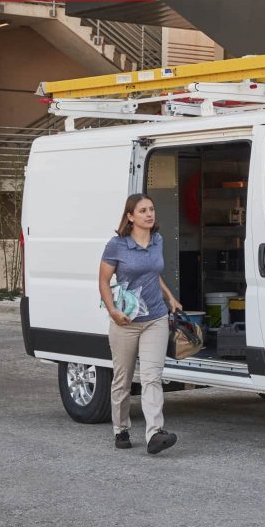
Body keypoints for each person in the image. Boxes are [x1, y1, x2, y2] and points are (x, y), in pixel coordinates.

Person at [98, 194, 183, 454]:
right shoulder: (117, 245)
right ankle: (121, 428)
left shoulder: (157, 241)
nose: (149, 214)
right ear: (130, 216)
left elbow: (153, 274)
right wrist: (112, 311)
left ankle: (155, 433)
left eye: (152, 209)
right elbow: (103, 280)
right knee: (122, 379)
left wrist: (170, 298)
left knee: (151, 378)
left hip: (155, 318)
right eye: (143, 210)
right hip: (126, 320)